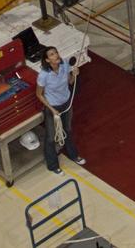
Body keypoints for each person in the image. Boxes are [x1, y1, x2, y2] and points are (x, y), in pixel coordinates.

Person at [35, 46, 85, 175]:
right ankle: (53, 165)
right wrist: (51, 109)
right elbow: (39, 94)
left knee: (67, 130)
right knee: (51, 137)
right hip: (53, 107)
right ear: (47, 60)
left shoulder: (64, 65)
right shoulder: (44, 75)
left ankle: (74, 156)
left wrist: (74, 74)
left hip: (66, 103)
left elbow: (70, 82)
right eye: (52, 54)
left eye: (56, 52)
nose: (56, 55)